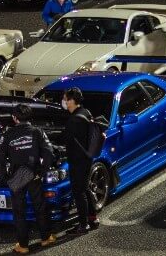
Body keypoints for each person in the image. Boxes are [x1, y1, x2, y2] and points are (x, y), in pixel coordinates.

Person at [0, 104, 55, 254]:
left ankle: (23, 245)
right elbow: (49, 152)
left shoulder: (7, 134)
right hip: (33, 172)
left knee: (19, 211)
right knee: (39, 207)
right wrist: (41, 171)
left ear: (15, 118)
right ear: (30, 117)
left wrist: (5, 176)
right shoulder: (37, 132)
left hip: (17, 175)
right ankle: (46, 238)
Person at [61, 87, 99, 233]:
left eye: (65, 99)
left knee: (78, 192)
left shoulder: (74, 120)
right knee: (85, 188)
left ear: (71, 101)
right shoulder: (86, 112)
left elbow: (66, 139)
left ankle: (83, 225)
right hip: (87, 158)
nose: (64, 102)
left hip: (77, 161)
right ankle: (92, 218)